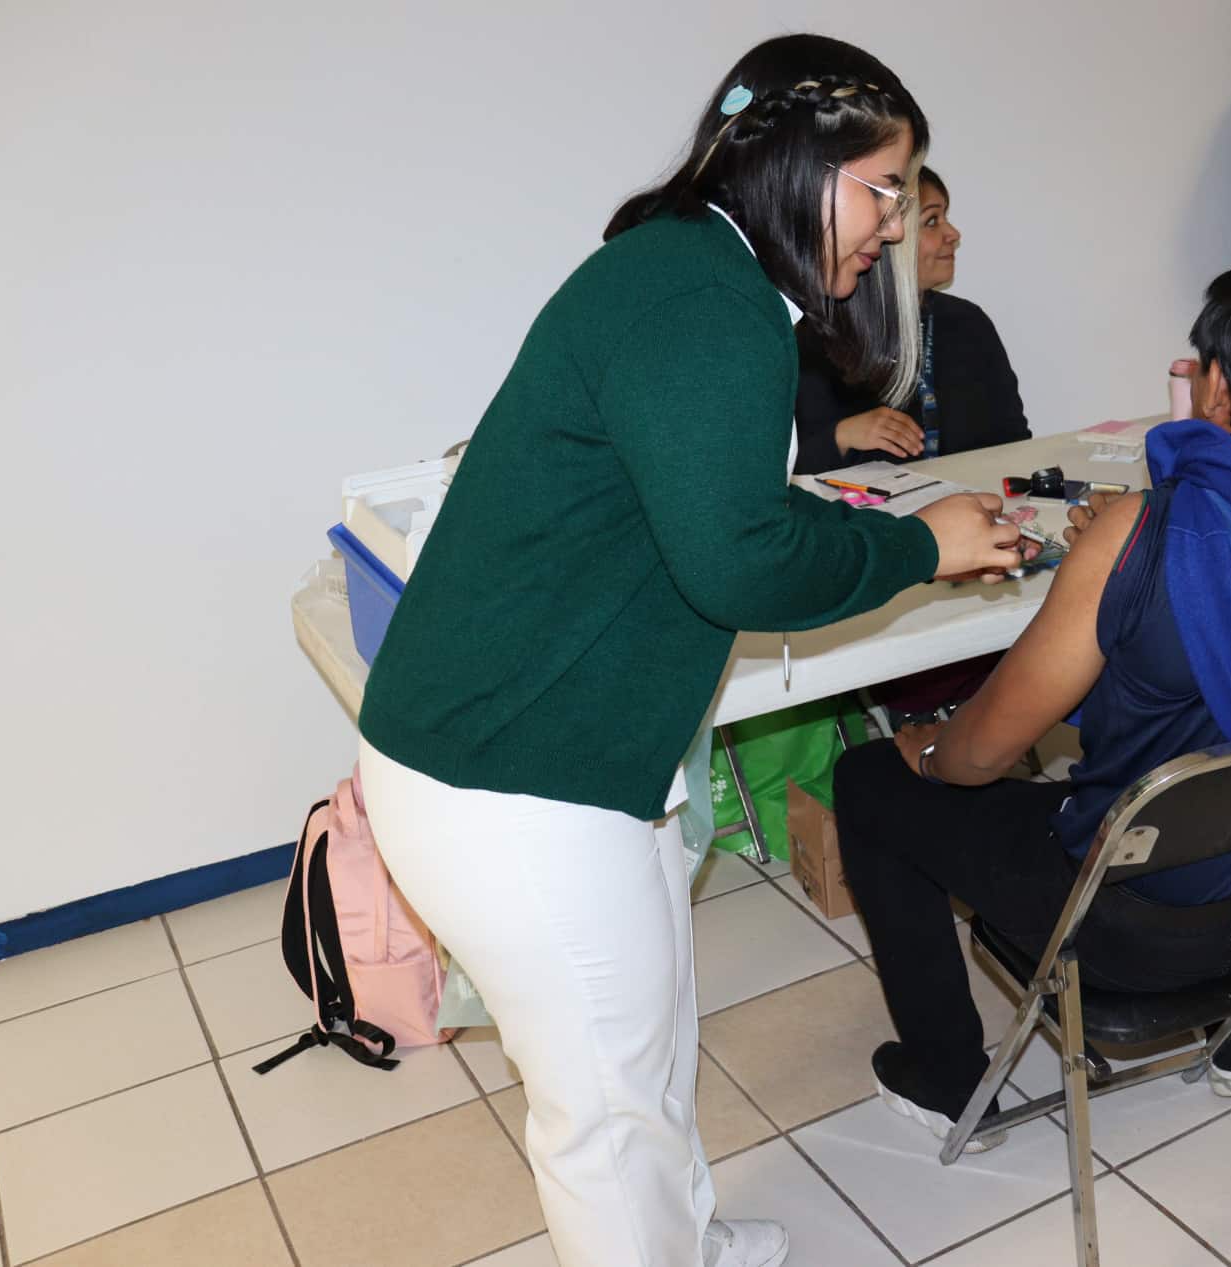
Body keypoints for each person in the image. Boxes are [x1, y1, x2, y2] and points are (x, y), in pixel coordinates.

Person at [353, 35, 1025, 1267]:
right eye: (882, 187)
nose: (894, 223)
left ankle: (691, 1242)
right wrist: (918, 548)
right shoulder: (700, 302)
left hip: (580, 750)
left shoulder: (698, 277)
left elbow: (703, 515)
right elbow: (737, 562)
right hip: (514, 777)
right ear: (790, 163)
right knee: (601, 1112)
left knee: (646, 1044)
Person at [831, 256, 1231, 1141]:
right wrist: (1127, 543)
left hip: (1133, 927)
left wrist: (922, 747)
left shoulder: (1148, 532)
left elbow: (984, 754)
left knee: (869, 780)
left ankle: (949, 1079)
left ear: (1221, 386)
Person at [793, 166, 1030, 473]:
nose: (953, 234)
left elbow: (1016, 445)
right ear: (889, 236)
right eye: (931, 221)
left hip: (969, 511)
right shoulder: (815, 335)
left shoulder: (969, 323)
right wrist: (842, 436)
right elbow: (774, 478)